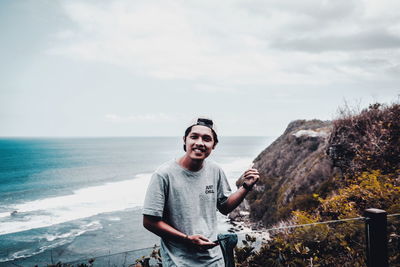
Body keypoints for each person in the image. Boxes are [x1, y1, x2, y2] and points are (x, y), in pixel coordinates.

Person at [142, 117, 259, 267]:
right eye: (194, 137)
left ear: (214, 145)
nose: (199, 143)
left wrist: (246, 187)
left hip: (214, 260)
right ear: (184, 140)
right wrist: (187, 239)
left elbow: (224, 207)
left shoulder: (215, 170)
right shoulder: (163, 175)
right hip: (179, 262)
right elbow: (149, 222)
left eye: (206, 139)